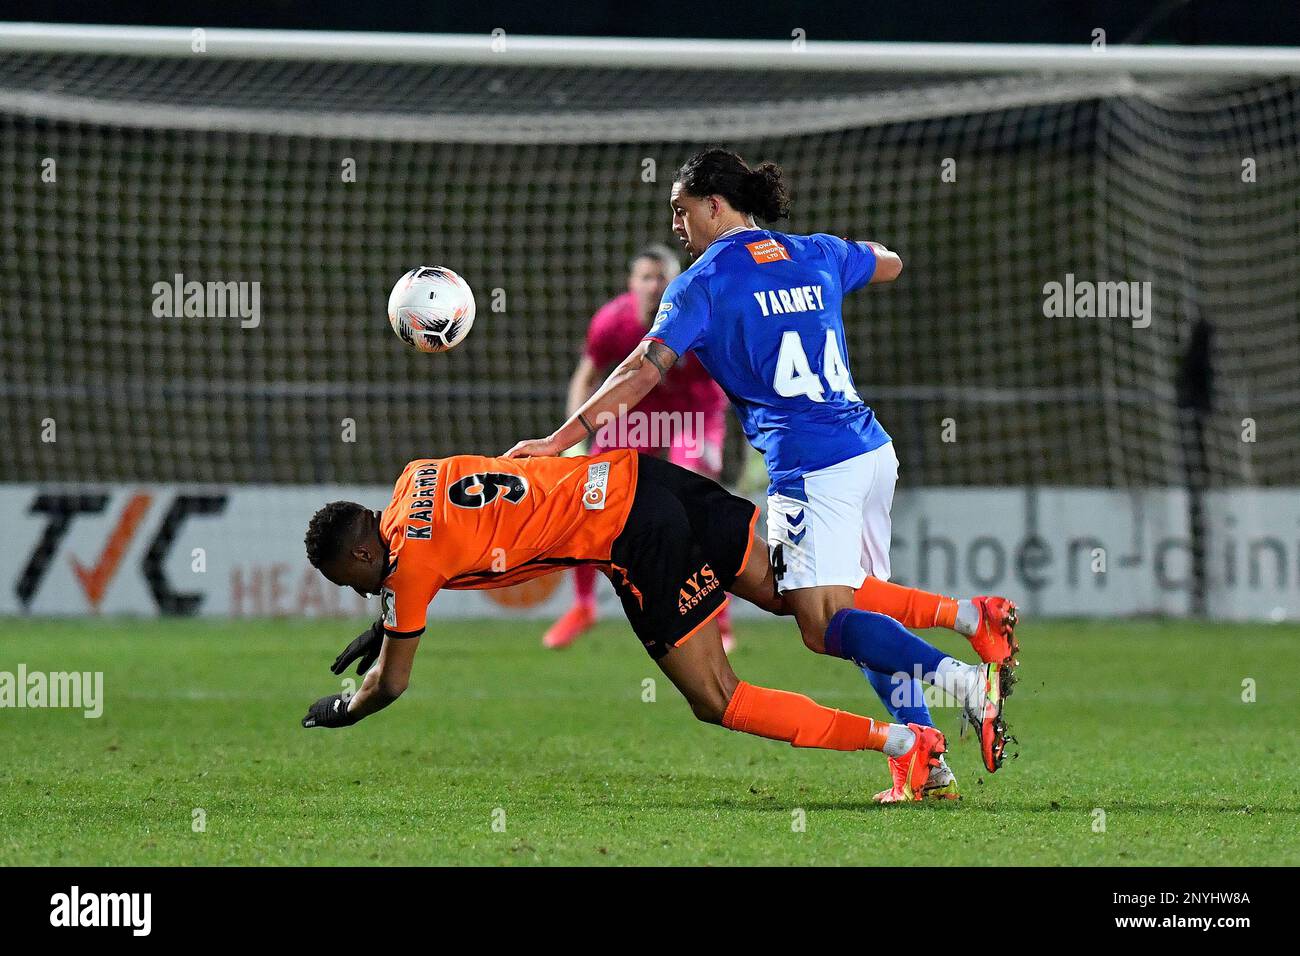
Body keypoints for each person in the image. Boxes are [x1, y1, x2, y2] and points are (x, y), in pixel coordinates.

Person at [503, 148, 1018, 802]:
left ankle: (968, 682)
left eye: (681, 211)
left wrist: (558, 441)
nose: (677, 226)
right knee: (857, 613)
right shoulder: (816, 252)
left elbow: (640, 371)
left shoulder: (703, 284)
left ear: (715, 205)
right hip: (868, 451)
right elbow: (890, 262)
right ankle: (926, 758)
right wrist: (840, 261)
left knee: (820, 623)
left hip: (812, 466)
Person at [300, 450, 1010, 803]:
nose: (354, 589)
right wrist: (383, 617)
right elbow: (437, 541)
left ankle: (905, 739)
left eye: (348, 579)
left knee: (718, 698)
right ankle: (970, 620)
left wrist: (342, 709)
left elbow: (389, 685)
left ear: (363, 554)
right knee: (814, 606)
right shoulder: (410, 477)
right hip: (647, 477)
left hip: (635, 537)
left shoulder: (406, 575)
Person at [543, 245, 734, 652]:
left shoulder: (699, 312)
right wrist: (573, 441)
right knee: (593, 500)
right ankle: (583, 606)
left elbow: (731, 373)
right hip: (636, 412)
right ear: (632, 285)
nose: (654, 286)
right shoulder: (611, 322)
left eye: (662, 277)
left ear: (676, 281)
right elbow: (588, 377)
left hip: (694, 412)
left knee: (695, 502)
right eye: (646, 278)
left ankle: (719, 615)